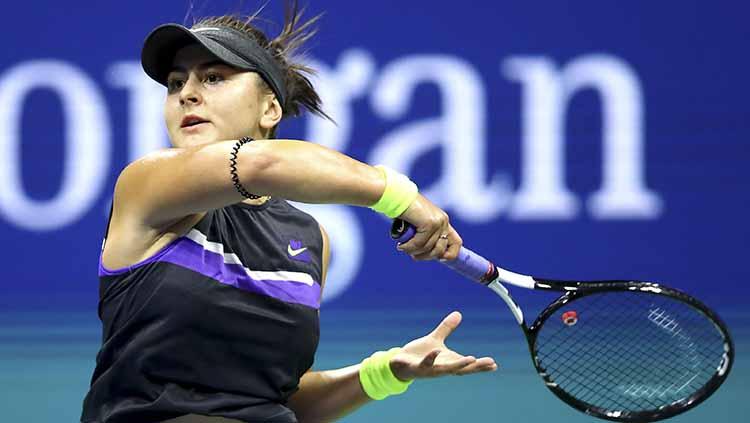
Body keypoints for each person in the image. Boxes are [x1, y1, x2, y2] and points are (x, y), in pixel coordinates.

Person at [81, 2, 497, 422]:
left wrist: (385, 372)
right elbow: (262, 164)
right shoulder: (144, 187)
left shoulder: (309, 237)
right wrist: (398, 195)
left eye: (213, 77)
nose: (186, 92)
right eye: (174, 83)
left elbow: (280, 398)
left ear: (270, 110)